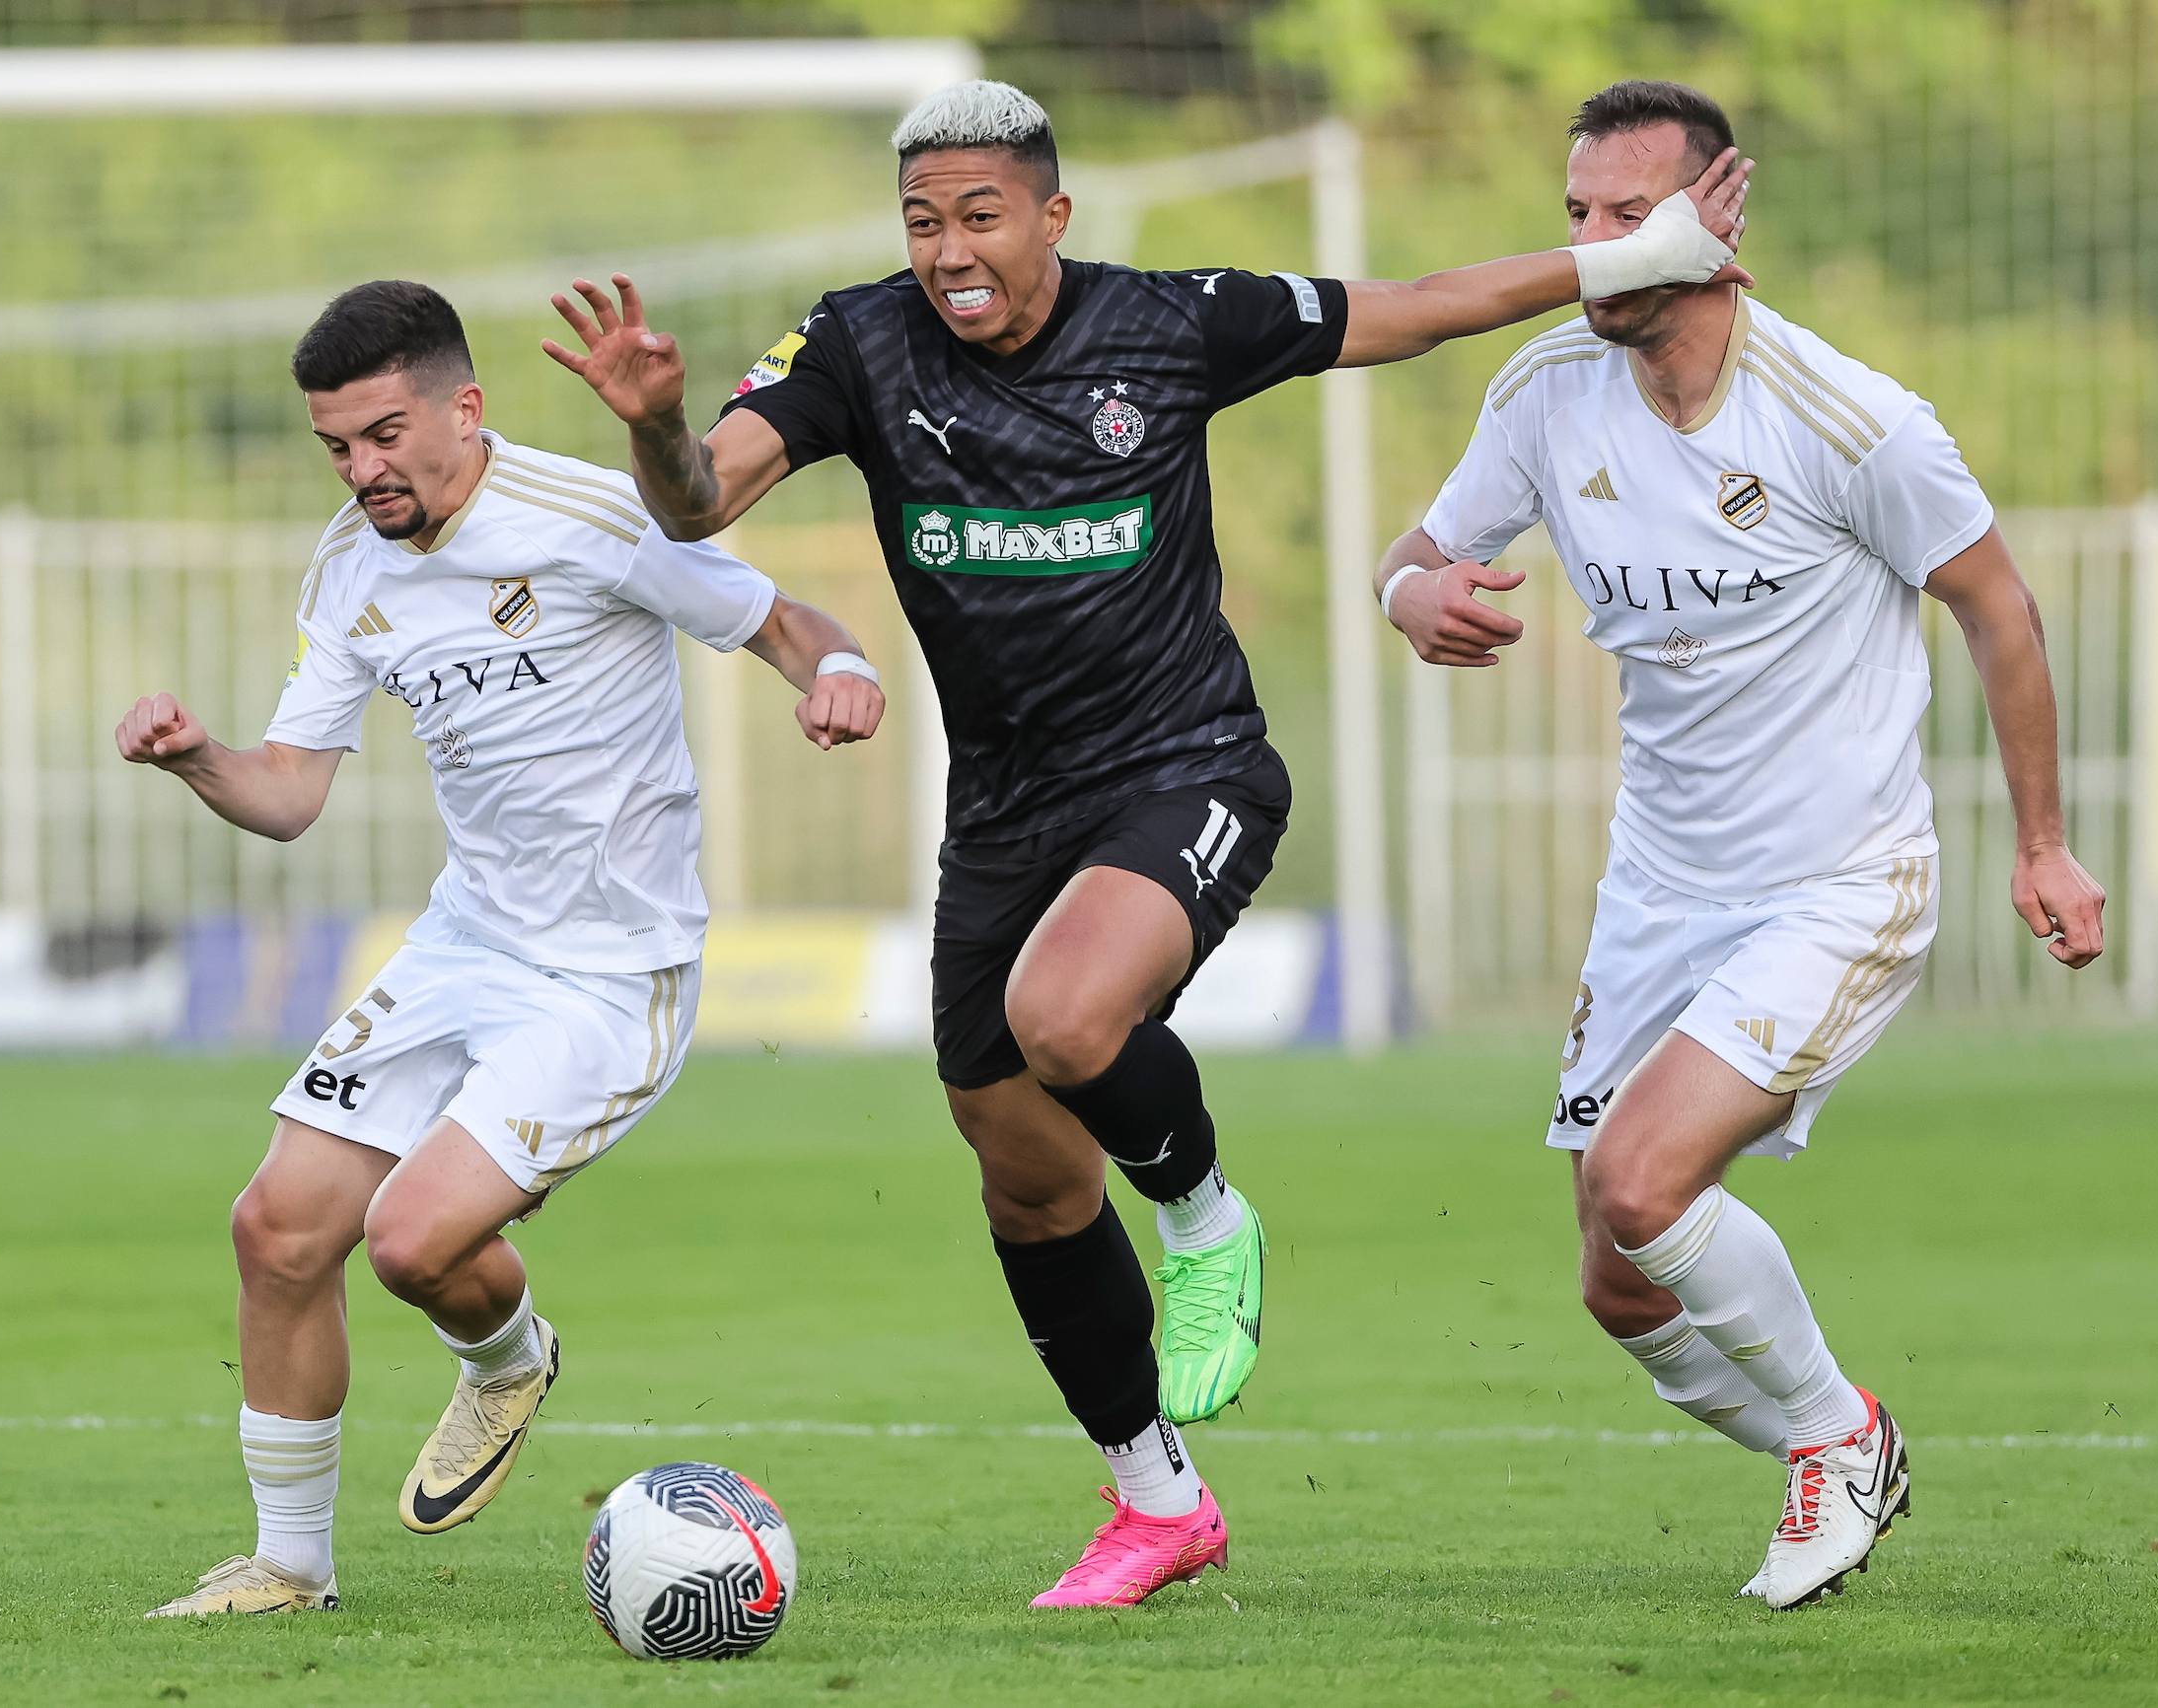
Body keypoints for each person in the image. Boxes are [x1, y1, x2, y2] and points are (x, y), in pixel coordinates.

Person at [543, 78, 1751, 1608]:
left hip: (1188, 769)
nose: (949, 250)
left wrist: (1629, 263)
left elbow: (1427, 304)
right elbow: (702, 503)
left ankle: (1203, 1212)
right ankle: (1157, 1501)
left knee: (1067, 1018)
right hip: (1003, 814)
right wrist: (657, 424)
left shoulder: (1172, 324)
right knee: (1025, 1179)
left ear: (1054, 214)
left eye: (981, 215)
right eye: (923, 221)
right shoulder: (858, 342)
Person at [1381, 80, 2108, 1609]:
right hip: (1660, 885)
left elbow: (1999, 606)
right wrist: (1412, 597)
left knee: (1645, 1184)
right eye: (1571, 214)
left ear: (1719, 213)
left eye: (1621, 213)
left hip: (1840, 885)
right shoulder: (1543, 394)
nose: (1588, 244)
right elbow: (1421, 550)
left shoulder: (1850, 418)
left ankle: (1835, 1438)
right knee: (1613, 1271)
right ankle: (1834, 1445)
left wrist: (2041, 845)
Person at [122, 280, 883, 1616]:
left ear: (464, 410)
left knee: (412, 1244)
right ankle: (288, 1569)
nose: (363, 471)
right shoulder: (351, 564)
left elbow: (780, 619)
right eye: (337, 448)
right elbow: (291, 793)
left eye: (383, 435)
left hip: (611, 970)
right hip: (467, 939)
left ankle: (508, 1358)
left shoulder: (588, 517)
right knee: (278, 1229)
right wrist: (200, 761)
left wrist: (843, 670)